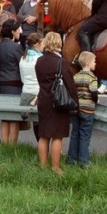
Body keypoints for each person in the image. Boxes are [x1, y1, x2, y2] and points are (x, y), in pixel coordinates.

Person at [34, 31, 76, 175]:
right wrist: (75, 102)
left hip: (44, 100)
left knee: (44, 134)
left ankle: (43, 165)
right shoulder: (61, 62)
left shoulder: (39, 61)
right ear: (58, 43)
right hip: (58, 102)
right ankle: (56, 167)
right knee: (57, 136)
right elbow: (70, 84)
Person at [67, 51, 98, 167]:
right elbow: (94, 92)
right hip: (87, 109)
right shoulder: (92, 77)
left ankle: (71, 159)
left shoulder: (76, 76)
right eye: (94, 61)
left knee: (75, 133)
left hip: (76, 109)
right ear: (89, 63)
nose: (95, 64)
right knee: (85, 135)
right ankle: (84, 161)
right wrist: (95, 101)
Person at [0, 18, 24, 144]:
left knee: (5, 117)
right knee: (14, 117)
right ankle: (13, 146)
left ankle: (4, 143)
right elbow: (22, 64)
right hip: (15, 83)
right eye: (18, 29)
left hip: (2, 82)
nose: (20, 31)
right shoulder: (16, 48)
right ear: (13, 32)